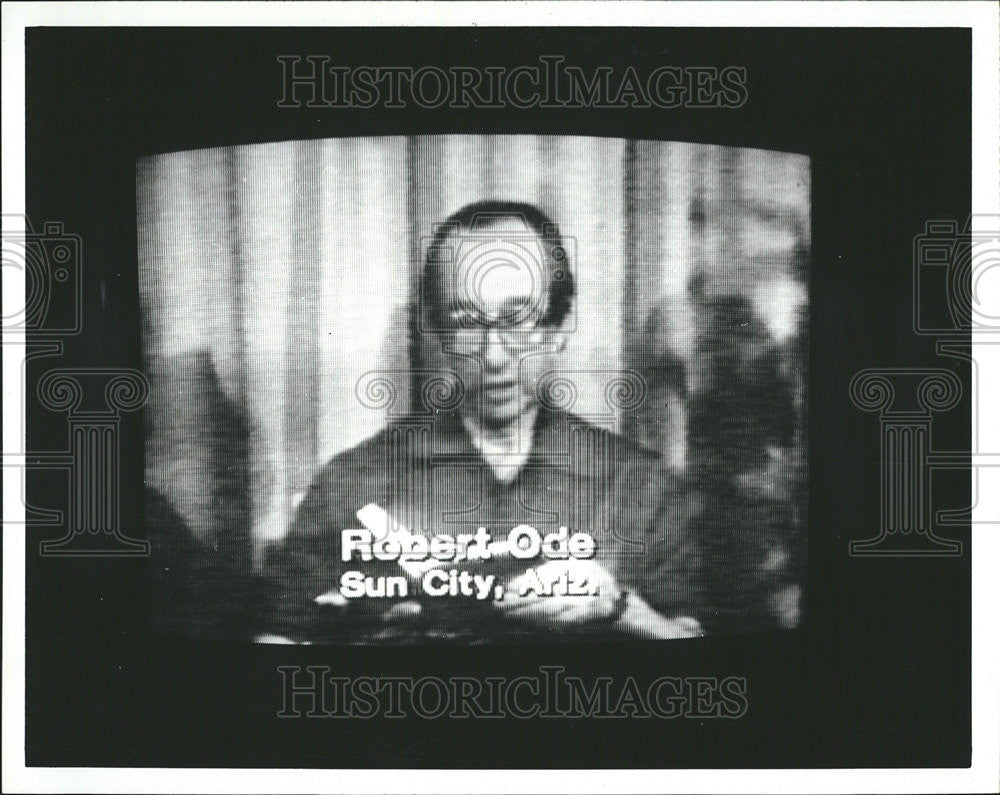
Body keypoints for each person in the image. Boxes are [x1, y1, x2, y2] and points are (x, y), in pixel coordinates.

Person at [256, 200, 703, 644]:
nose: (493, 356)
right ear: (437, 335)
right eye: (466, 322)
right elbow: (278, 638)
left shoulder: (642, 486)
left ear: (559, 326)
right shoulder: (353, 482)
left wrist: (618, 608)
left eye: (518, 319)